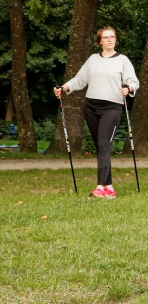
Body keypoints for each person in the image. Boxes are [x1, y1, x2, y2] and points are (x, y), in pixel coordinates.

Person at [54, 26, 139, 198]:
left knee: (104, 145)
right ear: (100, 41)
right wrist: (64, 87)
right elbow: (80, 79)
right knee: (101, 146)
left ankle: (100, 187)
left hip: (112, 107)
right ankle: (109, 187)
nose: (110, 39)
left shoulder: (123, 60)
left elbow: (133, 82)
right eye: (106, 37)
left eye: (112, 37)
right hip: (91, 107)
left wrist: (128, 88)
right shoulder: (93, 59)